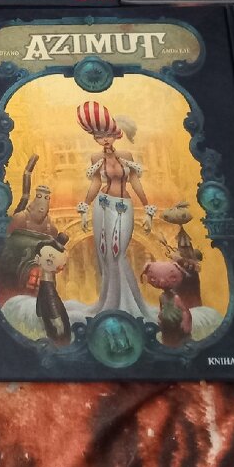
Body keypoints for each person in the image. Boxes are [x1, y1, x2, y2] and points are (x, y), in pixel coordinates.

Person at [75, 100, 155, 318]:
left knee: (118, 252)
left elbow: (135, 181)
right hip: (102, 205)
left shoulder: (127, 156)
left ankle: (130, 304)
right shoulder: (96, 159)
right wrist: (84, 208)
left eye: (107, 135)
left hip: (124, 206)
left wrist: (147, 207)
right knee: (105, 252)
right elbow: (95, 184)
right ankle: (109, 303)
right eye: (99, 136)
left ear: (115, 134)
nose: (104, 139)